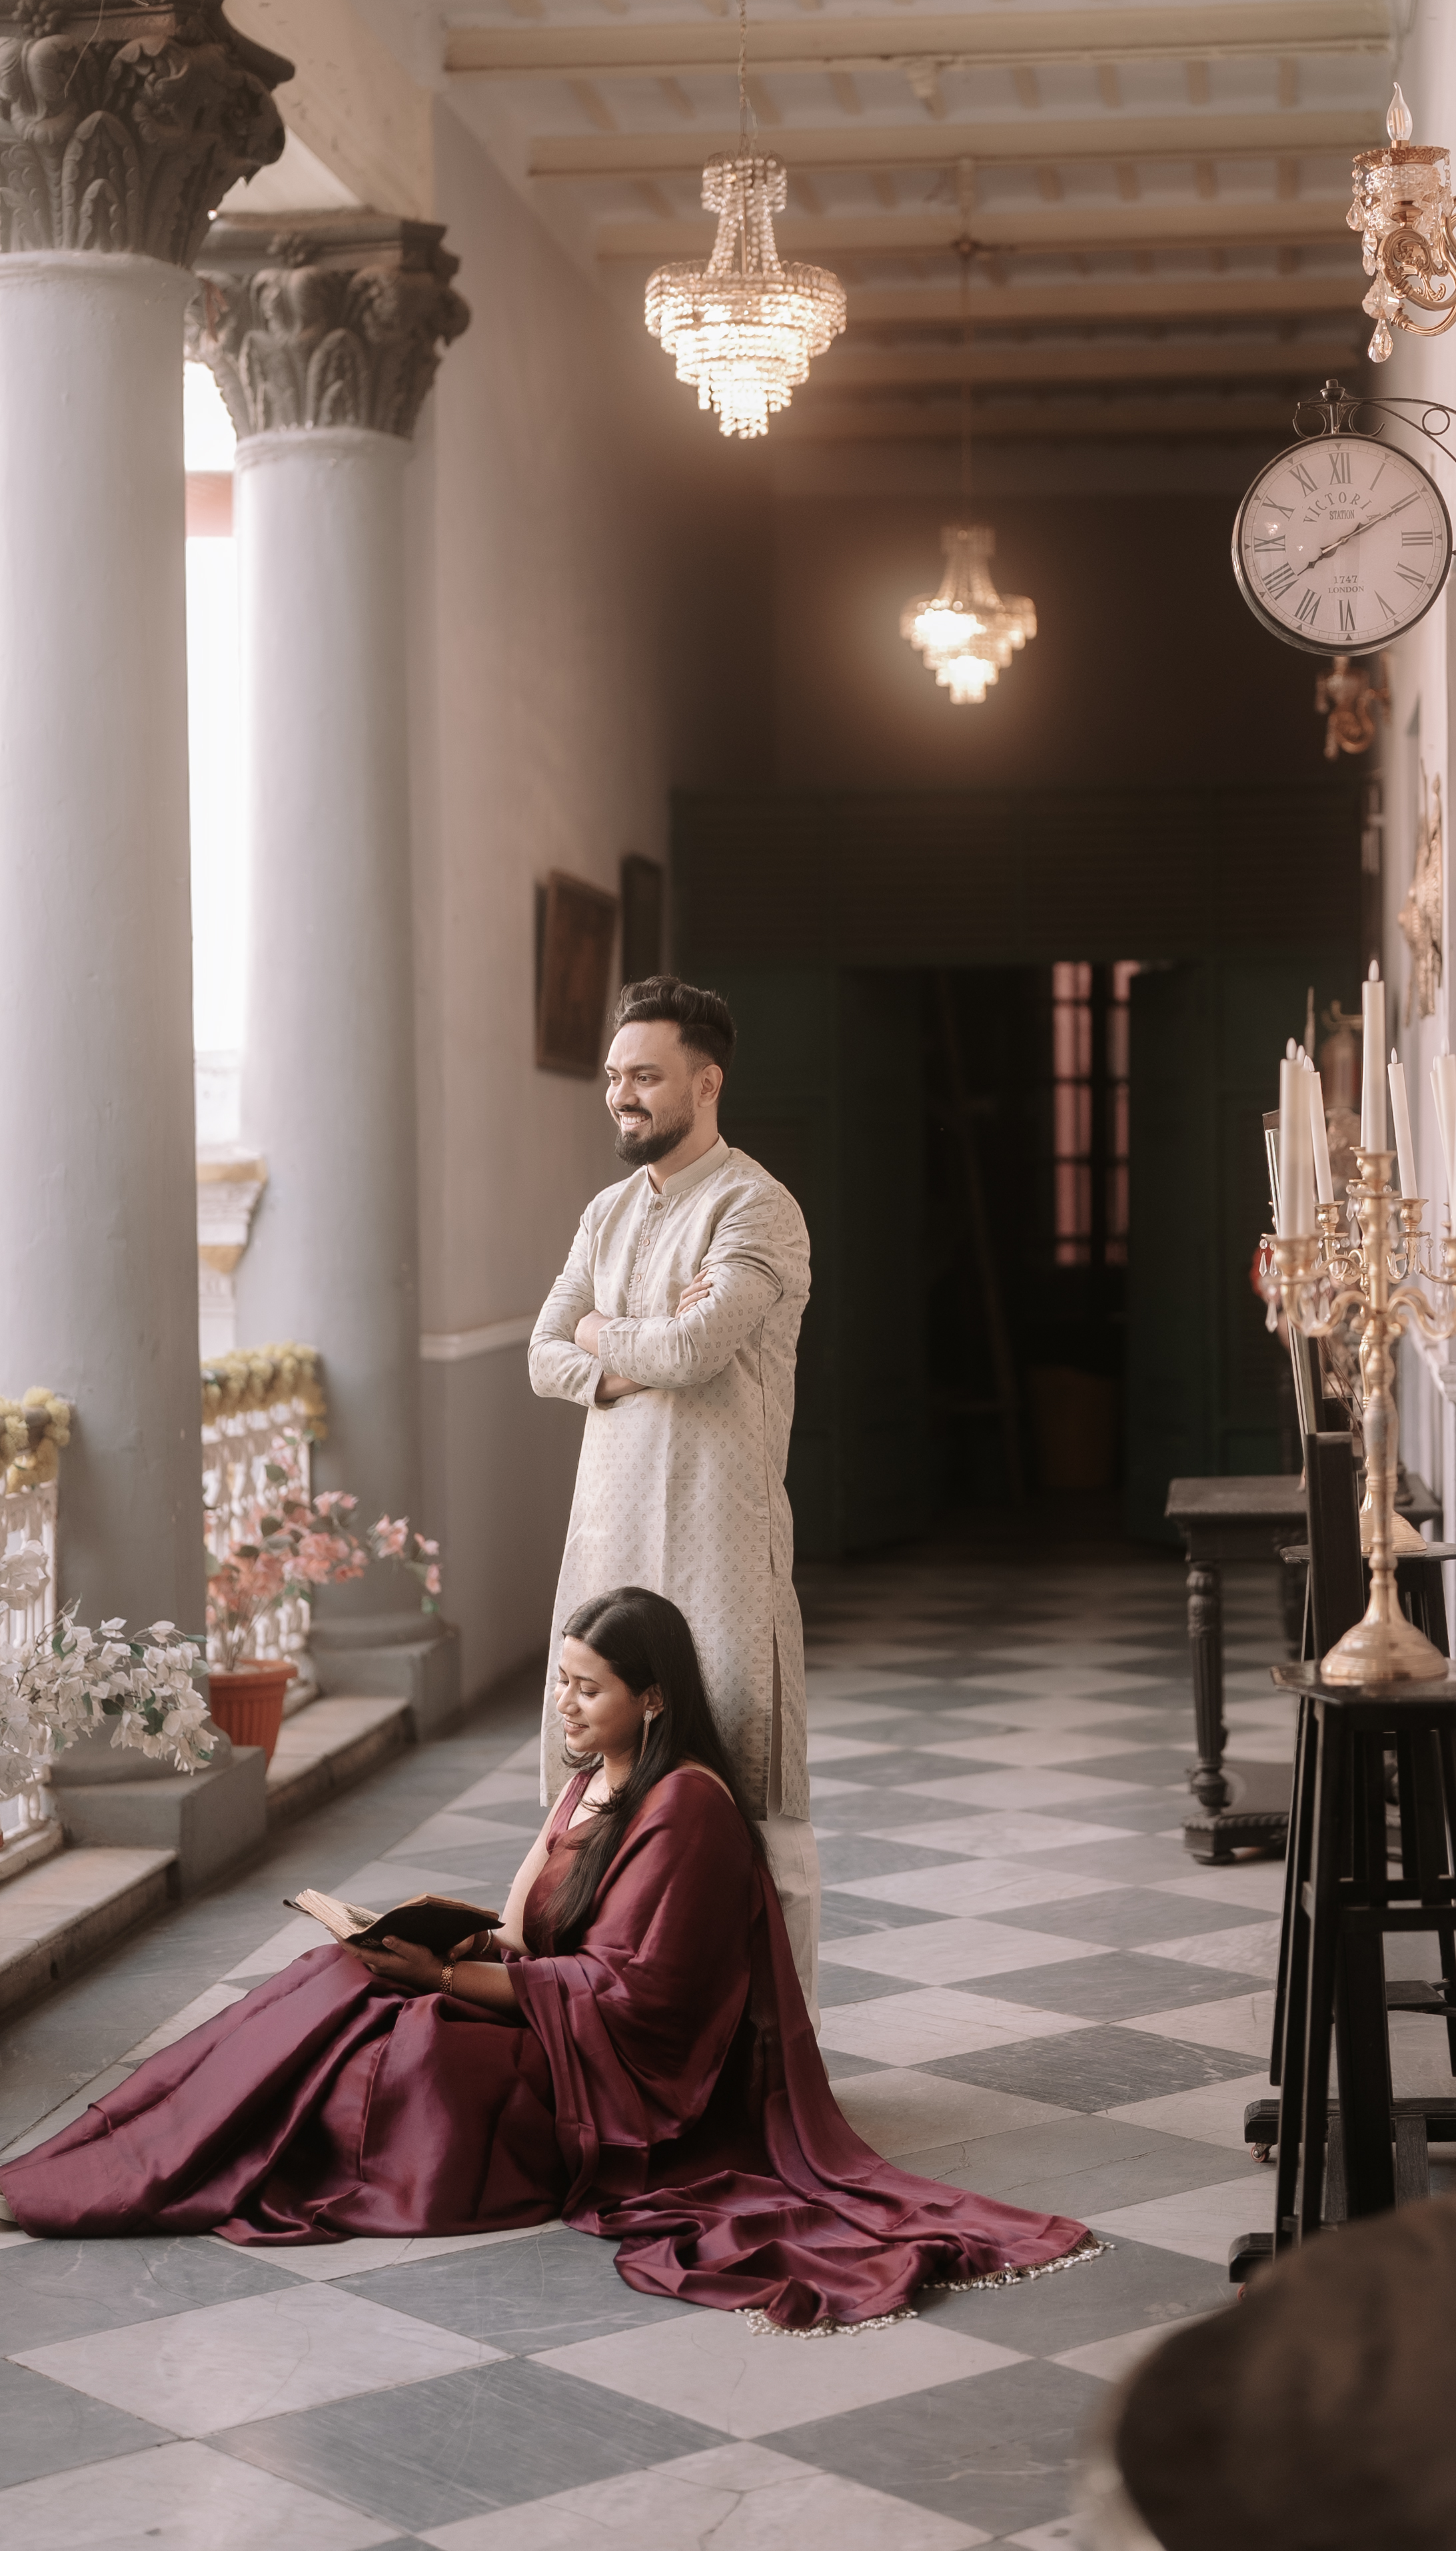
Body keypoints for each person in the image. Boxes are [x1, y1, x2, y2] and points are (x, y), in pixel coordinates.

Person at [0, 1589, 1096, 2331]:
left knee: (412, 2049)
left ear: (652, 1697)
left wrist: (444, 1982)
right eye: (561, 1683)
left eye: (588, 1688)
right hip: (541, 2018)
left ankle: (180, 2169)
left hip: (608, 2086)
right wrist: (444, 1945)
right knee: (329, 1982)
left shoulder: (689, 1813)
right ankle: (119, 2159)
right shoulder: (595, 1779)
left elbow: (642, 2003)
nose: (564, 1705)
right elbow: (535, 1934)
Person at [528, 976, 822, 2015]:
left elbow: (697, 1349)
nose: (622, 1095)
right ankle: (607, 2035)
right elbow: (539, 1354)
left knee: (746, 1798)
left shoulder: (759, 1208)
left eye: (645, 1077)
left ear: (707, 1083)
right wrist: (621, 1342)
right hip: (607, 1541)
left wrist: (606, 1334)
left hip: (721, 1557)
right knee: (591, 1791)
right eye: (614, 1077)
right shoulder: (605, 1214)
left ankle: (770, 2065)